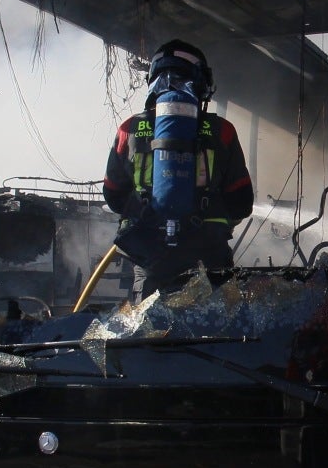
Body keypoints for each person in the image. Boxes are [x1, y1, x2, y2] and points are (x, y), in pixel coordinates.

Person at [102, 39, 254, 294]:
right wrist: (213, 224)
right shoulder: (222, 131)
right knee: (218, 327)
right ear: (202, 81)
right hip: (209, 257)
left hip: (150, 256)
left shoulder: (128, 129)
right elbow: (242, 201)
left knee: (151, 328)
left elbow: (114, 195)